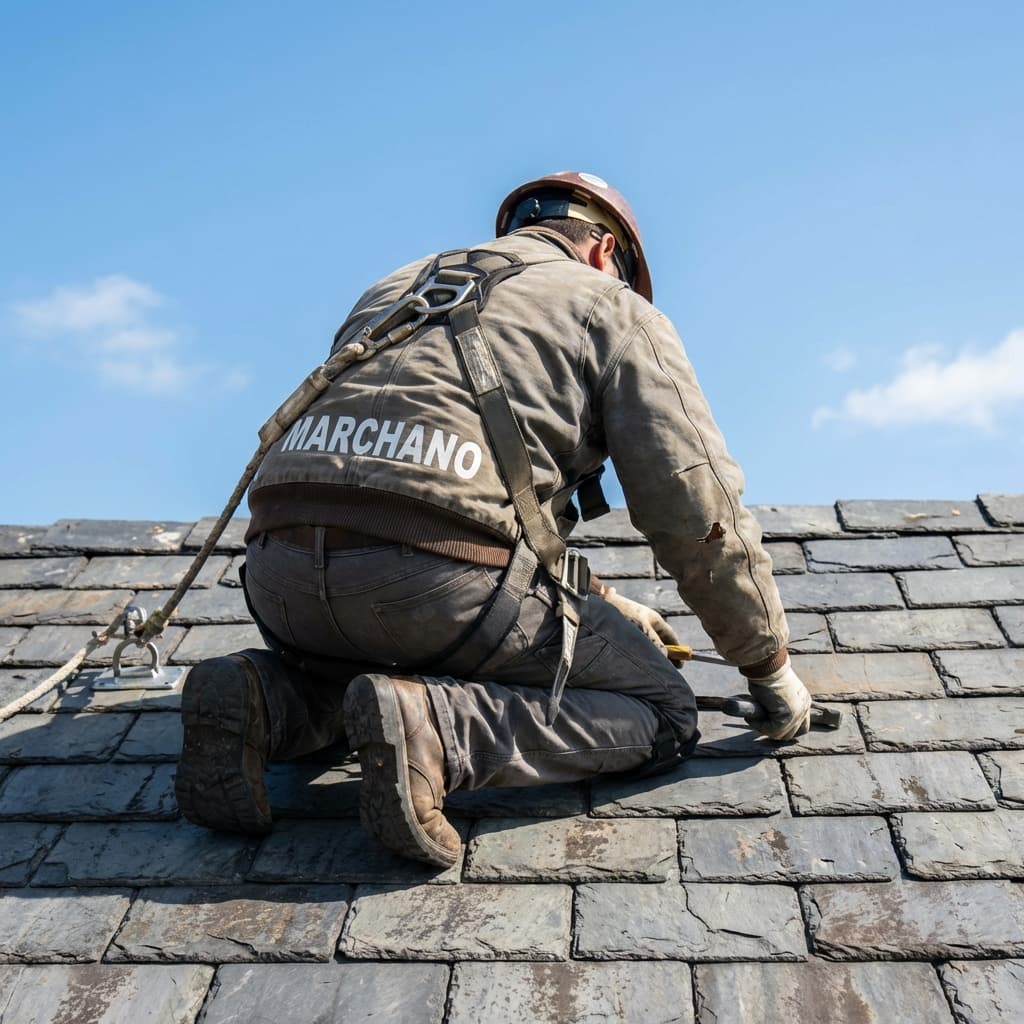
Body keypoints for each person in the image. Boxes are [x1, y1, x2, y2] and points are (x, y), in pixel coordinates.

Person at [175, 171, 812, 867]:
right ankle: (436, 733)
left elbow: (421, 482)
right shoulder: (612, 307)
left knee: (374, 661)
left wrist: (599, 600)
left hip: (279, 575)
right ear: (604, 251)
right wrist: (766, 665)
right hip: (435, 587)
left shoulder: (395, 287)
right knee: (664, 711)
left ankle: (264, 699)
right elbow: (696, 508)